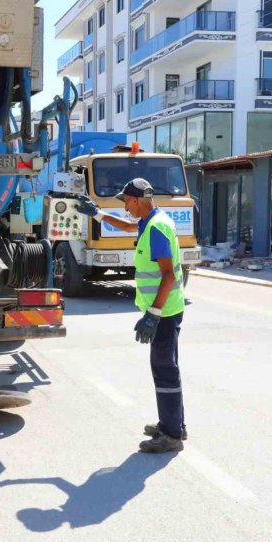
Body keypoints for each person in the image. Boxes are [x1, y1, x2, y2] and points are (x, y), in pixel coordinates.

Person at [76, 178, 187, 454]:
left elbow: (169, 275)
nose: (125, 207)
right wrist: (98, 214)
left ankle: (172, 434)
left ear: (137, 199)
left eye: (126, 202)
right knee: (166, 367)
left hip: (164, 311)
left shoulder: (157, 228)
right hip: (167, 310)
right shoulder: (152, 220)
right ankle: (174, 424)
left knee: (164, 370)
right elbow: (127, 226)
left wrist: (153, 314)